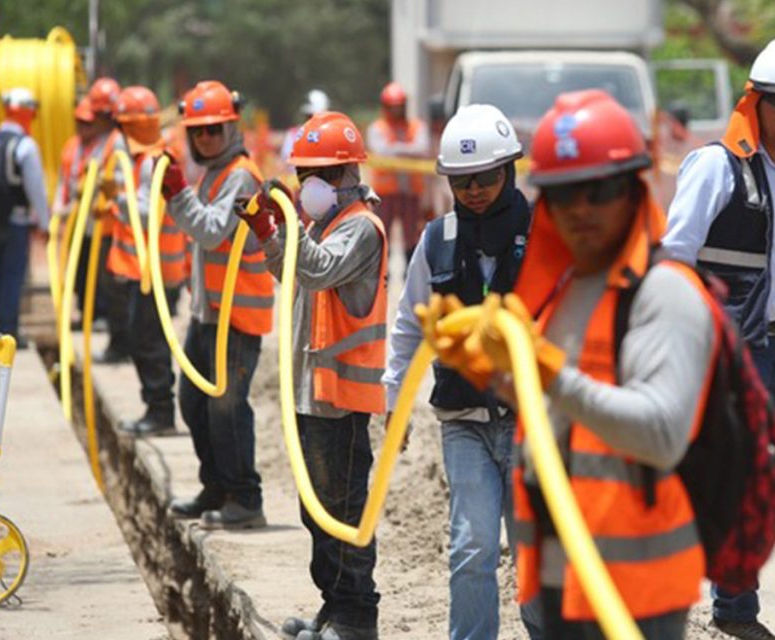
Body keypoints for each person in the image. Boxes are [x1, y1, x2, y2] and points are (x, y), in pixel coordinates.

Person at [419, 90, 716, 640]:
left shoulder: (664, 292)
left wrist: (546, 373)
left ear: (633, 186)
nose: (579, 211)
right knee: (475, 548)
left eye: (596, 191)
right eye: (562, 194)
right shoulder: (567, 285)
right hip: (568, 581)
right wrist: (492, 375)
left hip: (637, 590)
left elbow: (658, 430)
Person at [661, 38, 775, 640]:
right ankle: (726, 608)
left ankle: (732, 604)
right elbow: (675, 256)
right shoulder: (717, 166)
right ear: (755, 102)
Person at [382, 104, 541, 640]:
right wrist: (394, 403)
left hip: (530, 424)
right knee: (471, 548)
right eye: (462, 180)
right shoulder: (436, 240)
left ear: (509, 170)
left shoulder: (545, 235)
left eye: (486, 178)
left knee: (535, 552)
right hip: (464, 421)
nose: (474, 190)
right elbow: (408, 327)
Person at [235, 111, 386, 640]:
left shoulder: (362, 228)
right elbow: (290, 270)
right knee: (316, 510)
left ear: (349, 174)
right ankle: (332, 608)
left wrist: (289, 222)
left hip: (340, 397)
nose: (310, 183)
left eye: (322, 172)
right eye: (304, 173)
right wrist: (268, 234)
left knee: (342, 509)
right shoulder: (323, 224)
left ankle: (355, 616)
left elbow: (318, 267)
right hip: (310, 390)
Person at [162, 80, 274, 530]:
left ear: (231, 127)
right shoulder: (214, 172)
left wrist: (177, 194)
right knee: (193, 401)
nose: (205, 138)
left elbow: (210, 230)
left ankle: (245, 497)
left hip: (237, 315)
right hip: (209, 313)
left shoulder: (242, 175)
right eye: (198, 131)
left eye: (213, 130)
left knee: (226, 407)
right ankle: (217, 486)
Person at [109, 86, 188, 437]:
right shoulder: (146, 157)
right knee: (143, 339)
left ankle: (160, 412)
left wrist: (117, 200)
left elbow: (147, 215)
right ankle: (156, 409)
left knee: (148, 342)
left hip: (156, 273)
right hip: (149, 271)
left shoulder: (154, 162)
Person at [0, 88, 49, 344]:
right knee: (13, 277)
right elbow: (36, 189)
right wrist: (44, 224)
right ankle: (8, 333)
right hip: (16, 222)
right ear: (28, 113)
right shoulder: (25, 146)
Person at [85, 76, 132, 363]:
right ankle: (121, 343)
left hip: (114, 227)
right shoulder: (112, 141)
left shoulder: (117, 143)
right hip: (109, 224)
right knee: (112, 290)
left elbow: (120, 182)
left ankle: (121, 346)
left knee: (116, 291)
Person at [366, 81, 429, 267]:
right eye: (392, 107)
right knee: (382, 235)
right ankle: (382, 275)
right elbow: (380, 150)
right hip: (384, 194)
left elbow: (422, 148)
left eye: (399, 107)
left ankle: (410, 273)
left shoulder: (416, 126)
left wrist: (395, 149)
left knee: (412, 237)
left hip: (410, 192)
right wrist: (407, 149)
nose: (396, 111)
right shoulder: (377, 128)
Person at [52, 96, 100, 322]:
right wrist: (59, 207)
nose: (83, 128)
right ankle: (84, 312)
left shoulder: (101, 147)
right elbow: (64, 179)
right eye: (80, 122)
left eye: (88, 123)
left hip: (94, 219)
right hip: (74, 216)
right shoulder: (72, 146)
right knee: (78, 265)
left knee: (94, 267)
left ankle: (98, 312)